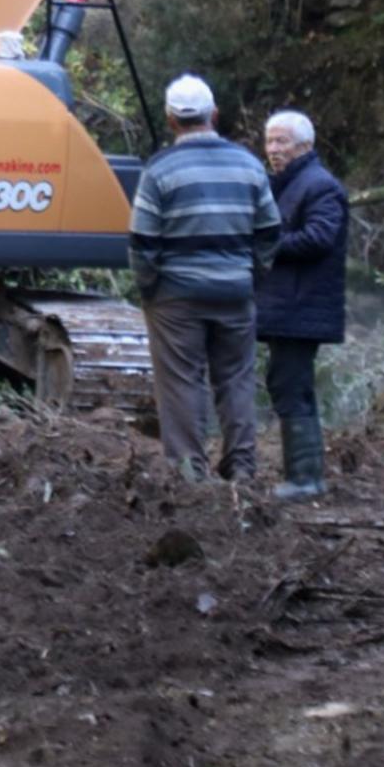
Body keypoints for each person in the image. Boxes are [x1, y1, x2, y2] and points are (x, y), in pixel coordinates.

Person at [129, 74, 280, 481]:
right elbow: (269, 232)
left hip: (176, 296)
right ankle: (243, 467)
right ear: (214, 114)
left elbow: (143, 241)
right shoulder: (249, 165)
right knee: (236, 379)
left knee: (181, 381)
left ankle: (189, 473)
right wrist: (251, 275)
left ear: (170, 120)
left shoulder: (159, 170)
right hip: (235, 291)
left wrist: (148, 288)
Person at [257, 109, 348, 501]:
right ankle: (305, 477)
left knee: (290, 386)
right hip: (290, 307)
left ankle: (305, 479)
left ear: (305, 146)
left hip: (302, 306)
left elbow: (320, 238)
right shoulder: (287, 183)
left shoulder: (320, 186)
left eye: (282, 142)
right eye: (270, 141)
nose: (274, 149)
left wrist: (267, 246)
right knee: (290, 384)